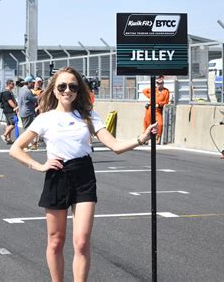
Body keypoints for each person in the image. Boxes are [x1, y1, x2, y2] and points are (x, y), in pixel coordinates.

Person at [9, 66, 157, 282]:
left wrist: (142, 138)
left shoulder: (88, 116)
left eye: (72, 86)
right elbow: (15, 149)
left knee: (81, 241)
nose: (67, 90)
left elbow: (114, 146)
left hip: (83, 177)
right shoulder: (45, 118)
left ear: (79, 90)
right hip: (57, 175)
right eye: (62, 86)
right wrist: (39, 166)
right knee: (55, 241)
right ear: (54, 89)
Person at [143, 77, 170, 143]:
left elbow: (166, 102)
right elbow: (144, 91)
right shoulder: (153, 90)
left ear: (163, 83)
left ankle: (158, 137)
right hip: (150, 108)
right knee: (147, 123)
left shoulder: (166, 91)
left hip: (158, 110)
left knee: (160, 124)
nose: (159, 85)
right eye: (158, 83)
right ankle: (145, 138)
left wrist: (159, 104)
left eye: (160, 83)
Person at [0, 79, 18, 144]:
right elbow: (10, 101)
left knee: (9, 124)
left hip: (6, 110)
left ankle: (8, 139)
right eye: (12, 84)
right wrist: (16, 107)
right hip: (10, 110)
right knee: (14, 124)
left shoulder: (6, 91)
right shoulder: (7, 92)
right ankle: (4, 135)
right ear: (9, 84)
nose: (14, 85)